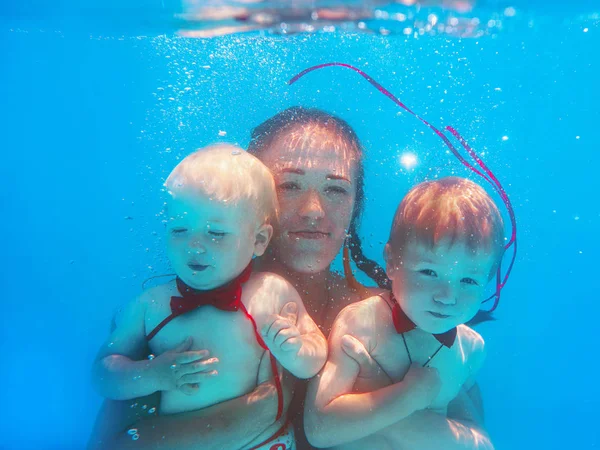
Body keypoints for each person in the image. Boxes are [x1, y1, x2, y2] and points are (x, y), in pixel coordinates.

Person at [87, 109, 489, 450]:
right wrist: (247, 416)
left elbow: (476, 440)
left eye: (335, 190)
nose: (314, 210)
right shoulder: (187, 311)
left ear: (355, 207)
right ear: (247, 198)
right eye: (290, 185)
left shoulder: (402, 318)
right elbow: (115, 442)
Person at [90, 144, 327, 449]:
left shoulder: (271, 291)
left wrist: (296, 351)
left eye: (216, 233)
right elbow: (102, 374)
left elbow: (315, 357)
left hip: (266, 443)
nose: (195, 246)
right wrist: (150, 374)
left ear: (259, 240)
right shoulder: (151, 305)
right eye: (179, 230)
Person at [304, 177, 500, 450]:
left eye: (468, 280)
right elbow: (319, 429)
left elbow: (478, 444)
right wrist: (408, 397)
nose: (447, 297)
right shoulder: (362, 324)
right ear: (393, 262)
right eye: (429, 272)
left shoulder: (470, 349)